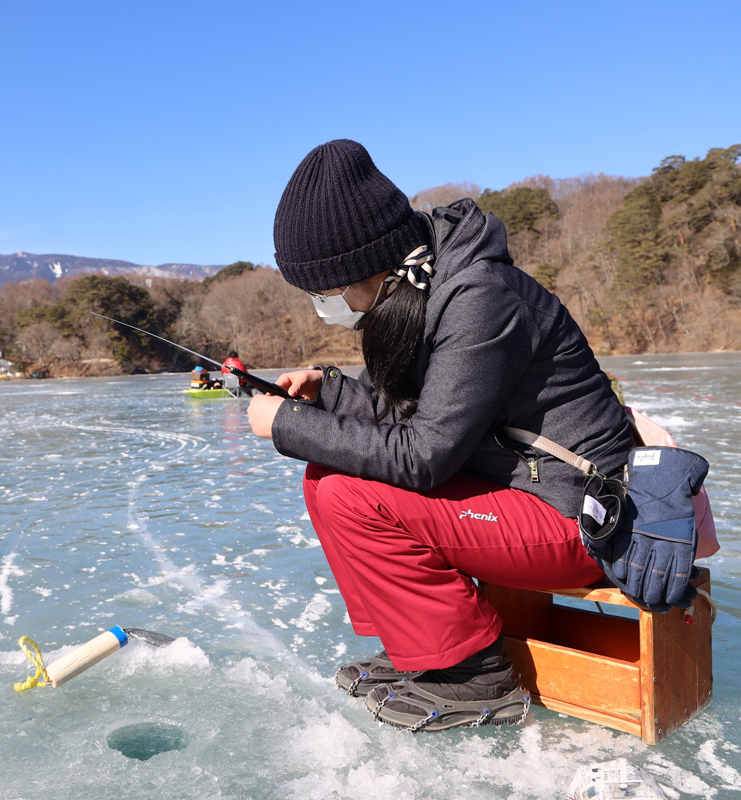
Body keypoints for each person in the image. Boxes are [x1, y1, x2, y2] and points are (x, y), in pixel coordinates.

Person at [247, 140, 633, 732]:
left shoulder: (480, 298)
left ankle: (473, 673)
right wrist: (325, 391)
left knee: (351, 494)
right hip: (520, 489)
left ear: (377, 266)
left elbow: (423, 455)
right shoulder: (426, 287)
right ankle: (420, 644)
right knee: (324, 475)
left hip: (581, 516)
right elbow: (414, 410)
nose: (326, 307)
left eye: (328, 292)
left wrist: (287, 425)